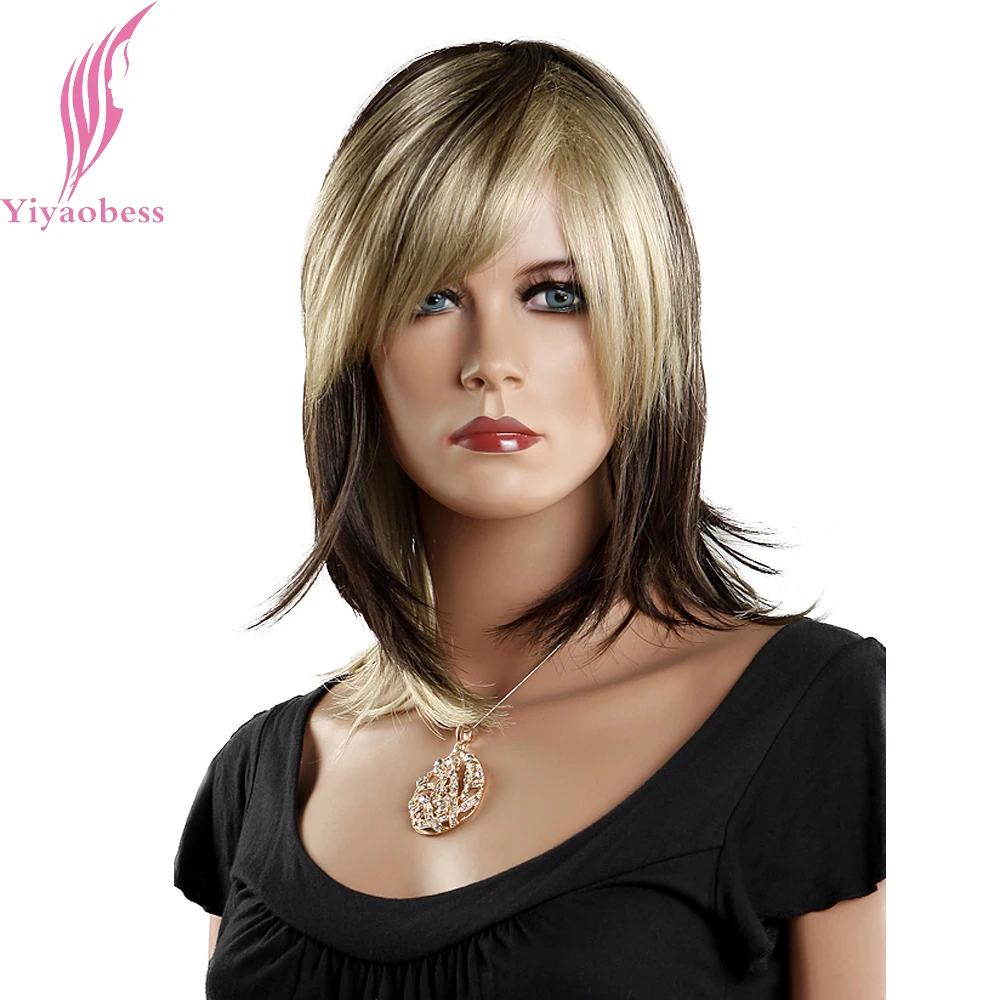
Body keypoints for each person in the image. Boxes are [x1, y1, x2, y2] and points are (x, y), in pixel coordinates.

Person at [173, 39, 886, 999]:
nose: (490, 361)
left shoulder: (826, 721)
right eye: (431, 296)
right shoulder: (262, 780)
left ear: (647, 319)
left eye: (556, 295)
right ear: (357, 340)